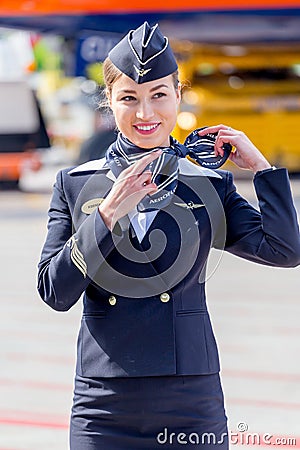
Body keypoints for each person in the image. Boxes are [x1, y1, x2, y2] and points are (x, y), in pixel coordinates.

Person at [37, 22, 300, 450]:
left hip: (190, 397)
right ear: (110, 102)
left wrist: (263, 171)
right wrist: (106, 214)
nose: (146, 114)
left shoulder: (208, 183)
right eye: (129, 98)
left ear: (179, 95)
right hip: (103, 403)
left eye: (159, 95)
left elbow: (285, 251)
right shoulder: (75, 184)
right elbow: (54, 290)